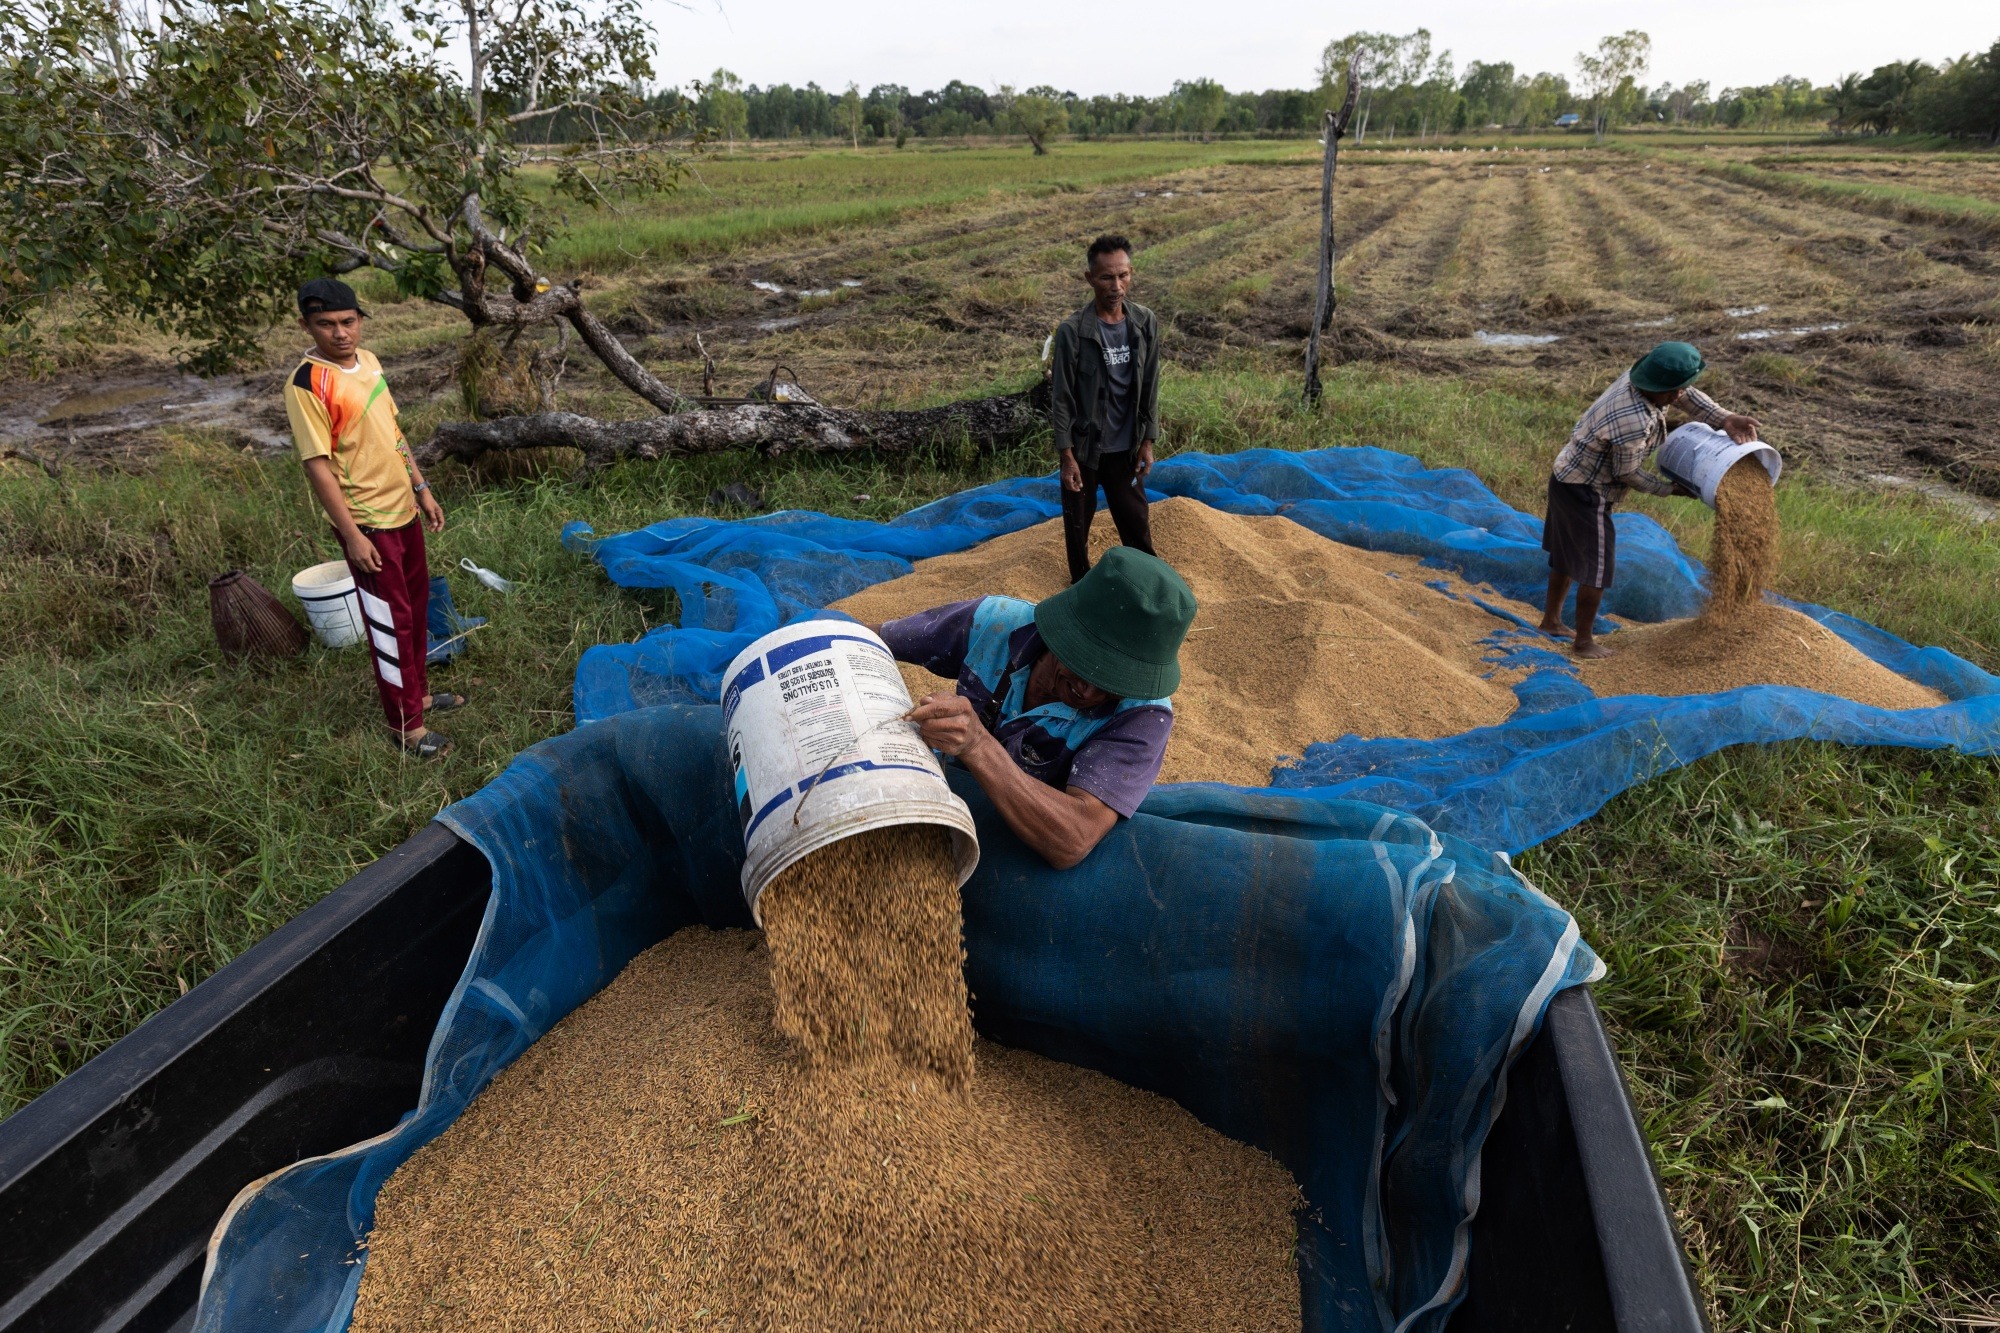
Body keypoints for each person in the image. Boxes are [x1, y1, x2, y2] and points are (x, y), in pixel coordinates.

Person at [877, 546, 1195, 869]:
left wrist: (977, 744)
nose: (1088, 690)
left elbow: (1074, 838)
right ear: (1065, 629)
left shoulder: (1143, 715)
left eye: (1113, 682)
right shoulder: (996, 623)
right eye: (1085, 663)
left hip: (1027, 843)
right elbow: (874, 639)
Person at [283, 278, 465, 757]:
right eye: (326, 324)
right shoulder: (306, 384)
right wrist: (351, 535)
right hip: (366, 523)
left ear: (360, 320)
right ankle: (407, 727)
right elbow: (316, 465)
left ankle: (419, 696)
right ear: (306, 325)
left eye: (348, 322)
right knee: (391, 623)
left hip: (402, 509)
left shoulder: (370, 363)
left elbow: (394, 432)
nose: (340, 333)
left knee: (417, 608)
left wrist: (421, 488)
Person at [1539, 341, 1761, 658]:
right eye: (1671, 393)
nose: (1676, 397)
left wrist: (1724, 418)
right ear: (1655, 385)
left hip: (1565, 474)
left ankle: (1551, 621)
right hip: (1585, 490)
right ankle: (1584, 642)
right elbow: (1627, 471)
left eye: (1678, 389)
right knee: (1597, 566)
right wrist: (1669, 488)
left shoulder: (1647, 381)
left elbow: (1687, 395)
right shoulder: (1631, 419)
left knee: (1567, 553)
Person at [1049, 234, 1162, 585]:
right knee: (1078, 528)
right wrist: (1067, 456)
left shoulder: (1144, 323)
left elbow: (1151, 387)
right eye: (1106, 277)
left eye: (1123, 276)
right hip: (1085, 450)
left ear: (1131, 274)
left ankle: (1147, 587)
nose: (1116, 286)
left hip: (1126, 447)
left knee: (1136, 523)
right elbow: (1062, 397)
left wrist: (1147, 441)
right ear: (1089, 278)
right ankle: (1080, 588)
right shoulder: (1073, 332)